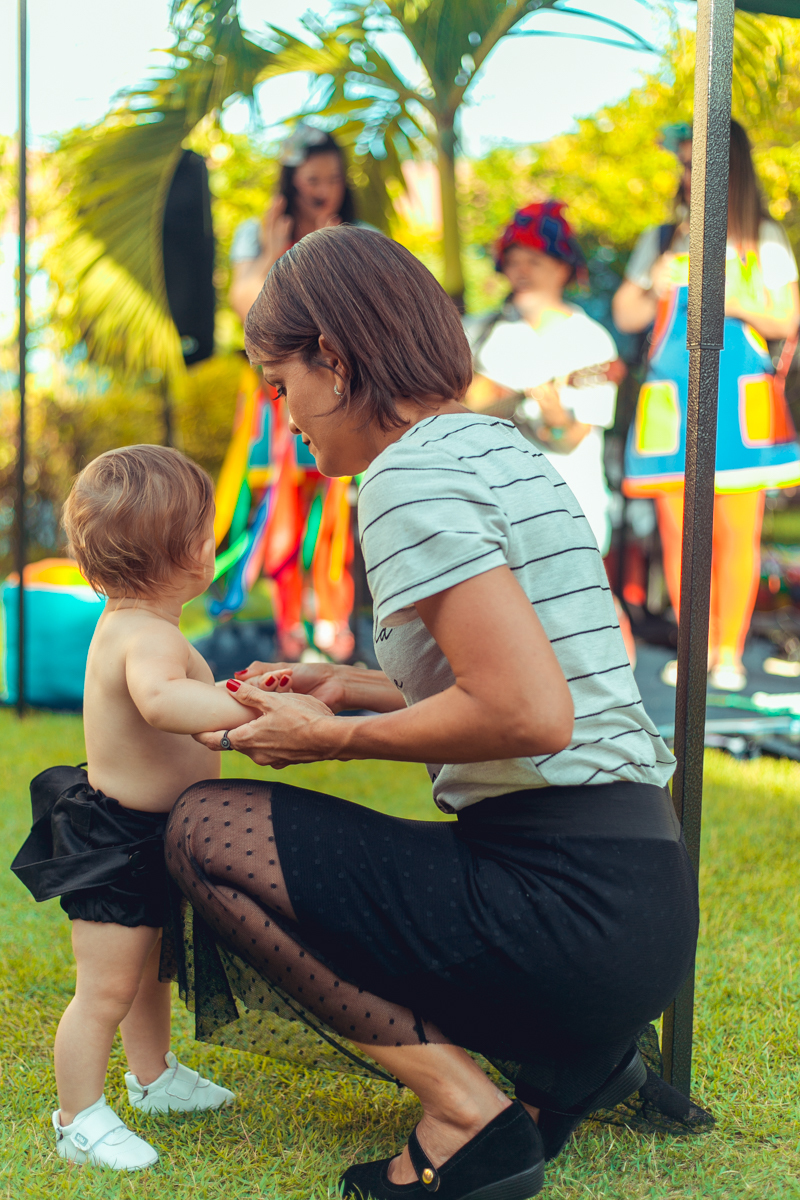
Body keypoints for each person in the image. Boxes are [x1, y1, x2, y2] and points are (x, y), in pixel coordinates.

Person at [163, 226, 699, 1200]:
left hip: (565, 907)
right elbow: (560, 672)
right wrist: (353, 683)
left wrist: (335, 739)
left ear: (333, 356)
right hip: (639, 899)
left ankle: (465, 1115)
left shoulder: (405, 478)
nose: (283, 419)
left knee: (207, 830)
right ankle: (573, 1058)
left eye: (279, 385)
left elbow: (528, 714)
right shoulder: (501, 447)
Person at [12, 446, 261, 1170]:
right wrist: (238, 709)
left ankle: (152, 1078)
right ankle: (77, 1117)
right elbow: (161, 702)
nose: (215, 545)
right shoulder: (146, 637)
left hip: (154, 832)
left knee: (152, 969)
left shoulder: (141, 627)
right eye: (209, 532)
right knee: (107, 988)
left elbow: (172, 712)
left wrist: (225, 715)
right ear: (183, 552)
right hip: (117, 841)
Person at [615, 121, 800, 691]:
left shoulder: (762, 237)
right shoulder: (662, 239)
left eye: (705, 164)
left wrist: (737, 295)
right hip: (674, 407)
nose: (693, 175)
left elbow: (787, 319)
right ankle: (693, 649)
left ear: (733, 169)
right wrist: (653, 283)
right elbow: (626, 316)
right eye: (688, 164)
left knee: (736, 532)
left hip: (738, 410)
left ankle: (727, 651)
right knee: (677, 534)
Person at [225, 124, 373, 662]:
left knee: (336, 504)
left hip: (342, 392)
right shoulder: (256, 233)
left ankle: (334, 622)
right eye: (314, 177)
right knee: (280, 504)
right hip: (278, 399)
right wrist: (269, 248)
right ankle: (290, 626)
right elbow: (247, 309)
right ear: (292, 181)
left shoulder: (361, 234)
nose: (325, 187)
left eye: (333, 178)